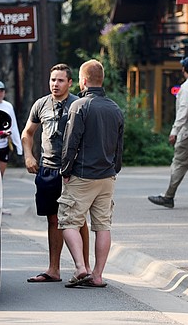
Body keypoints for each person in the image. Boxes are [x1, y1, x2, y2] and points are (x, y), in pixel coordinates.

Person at [59, 58, 124, 289]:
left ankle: (80, 267)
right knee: (102, 226)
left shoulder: (79, 106)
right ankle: (97, 275)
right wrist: (114, 169)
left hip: (82, 175)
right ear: (102, 80)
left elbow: (71, 142)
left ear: (83, 81)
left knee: (68, 221)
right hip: (107, 177)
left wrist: (65, 169)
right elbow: (119, 146)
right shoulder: (115, 108)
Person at [21, 63, 89, 283]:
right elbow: (28, 133)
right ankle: (53, 269)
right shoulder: (41, 104)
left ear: (70, 82)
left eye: (60, 80)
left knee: (78, 220)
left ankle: (85, 267)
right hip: (48, 169)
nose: (55, 84)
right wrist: (29, 156)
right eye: (53, 80)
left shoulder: (79, 105)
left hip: (72, 170)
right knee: (53, 219)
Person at [149, 56, 188, 209]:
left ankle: (168, 196)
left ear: (183, 69)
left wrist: (175, 131)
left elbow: (183, 110)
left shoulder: (187, 86)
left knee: (179, 163)